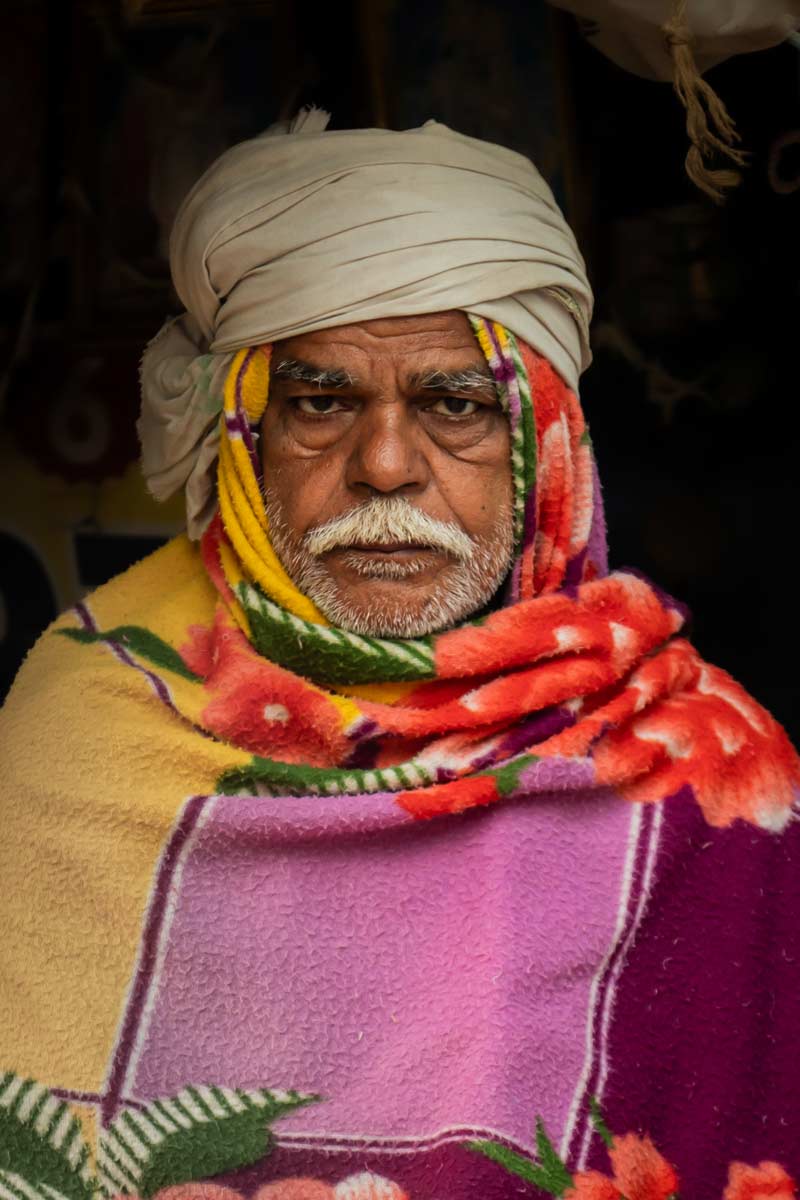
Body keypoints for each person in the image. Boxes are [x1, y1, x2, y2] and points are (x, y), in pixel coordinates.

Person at [2, 111, 799, 1200]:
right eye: (320, 403)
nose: (384, 466)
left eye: (455, 406)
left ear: (546, 445)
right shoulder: (83, 719)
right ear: (238, 437)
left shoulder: (699, 781)